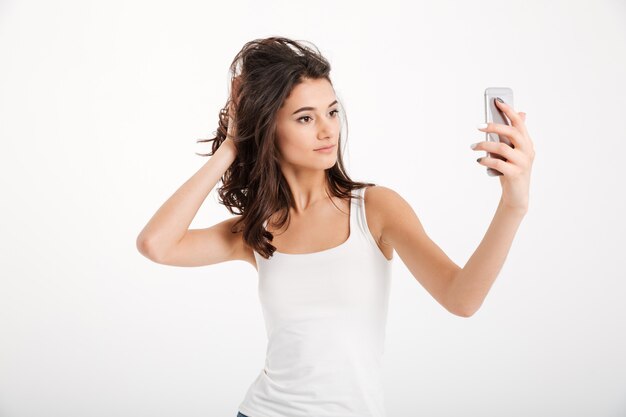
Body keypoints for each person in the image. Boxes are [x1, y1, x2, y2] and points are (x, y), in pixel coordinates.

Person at [136, 36, 535, 417]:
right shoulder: (255, 231)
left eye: (331, 111)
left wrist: (513, 204)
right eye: (305, 118)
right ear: (268, 129)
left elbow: (461, 298)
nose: (327, 130)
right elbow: (157, 244)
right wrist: (232, 145)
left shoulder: (375, 209)